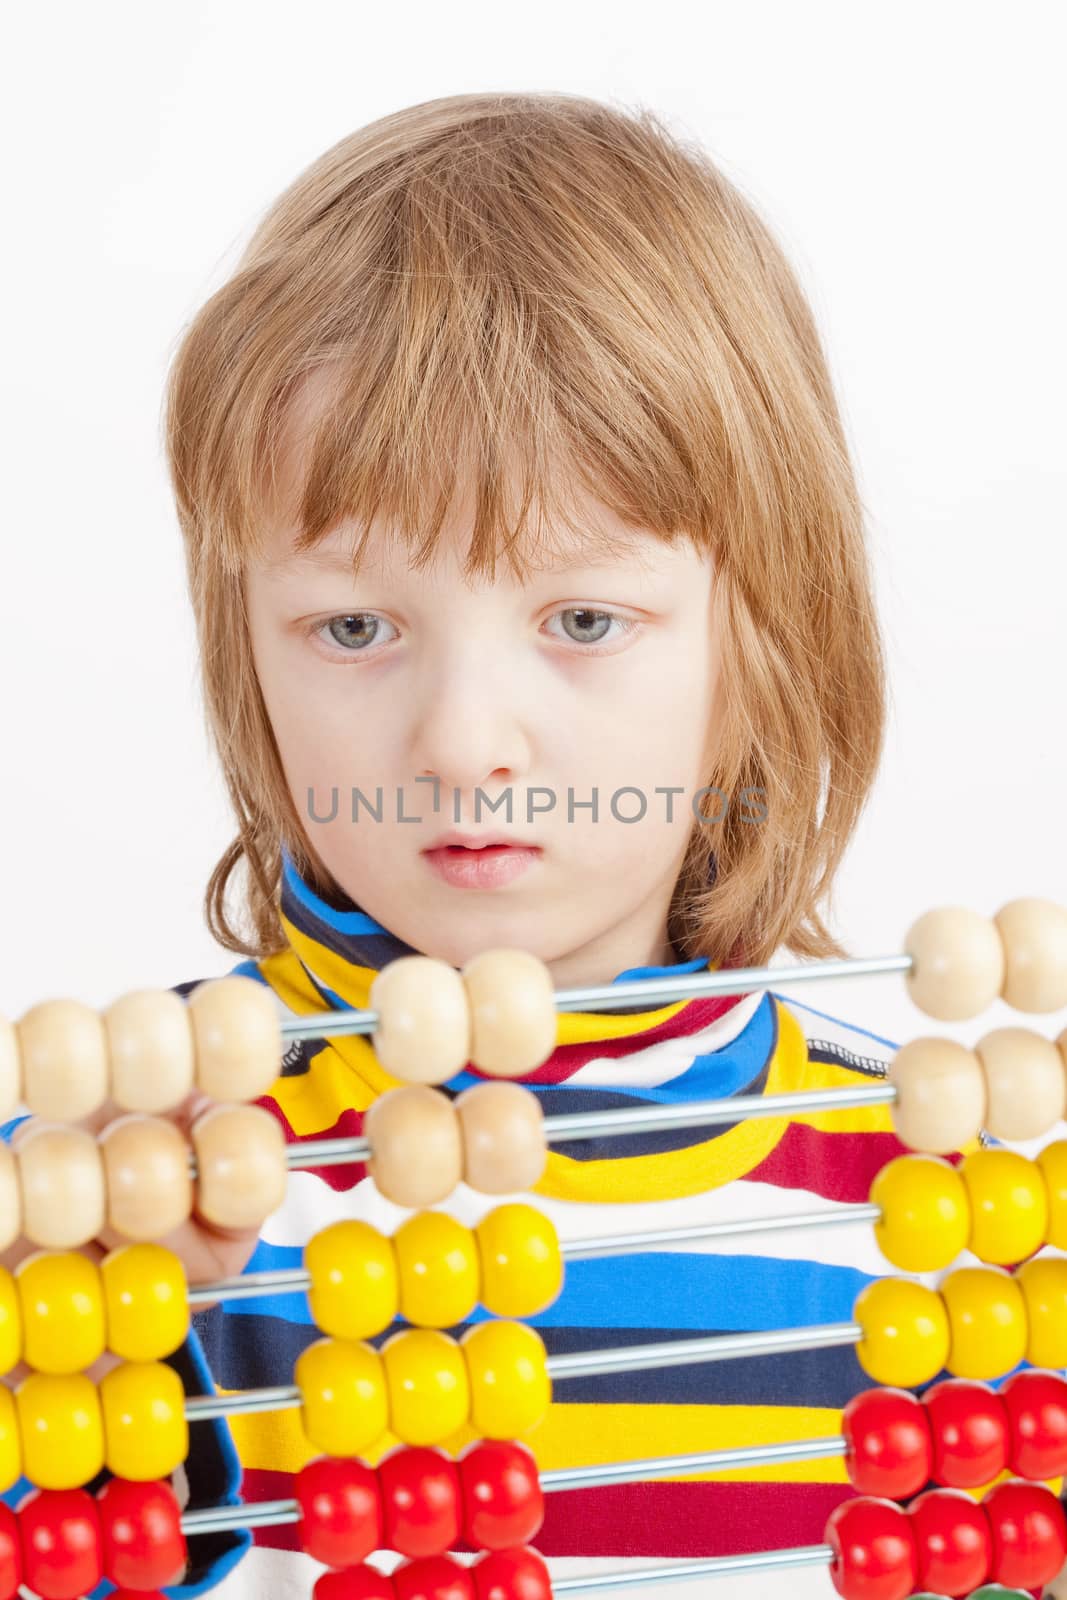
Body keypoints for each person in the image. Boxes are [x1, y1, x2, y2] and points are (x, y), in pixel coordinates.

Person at [6, 92, 917, 1600]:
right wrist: (90, 1356)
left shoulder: (945, 1218)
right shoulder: (128, 1180)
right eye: (354, 626)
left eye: (581, 620)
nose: (462, 738)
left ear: (762, 644)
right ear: (250, 654)